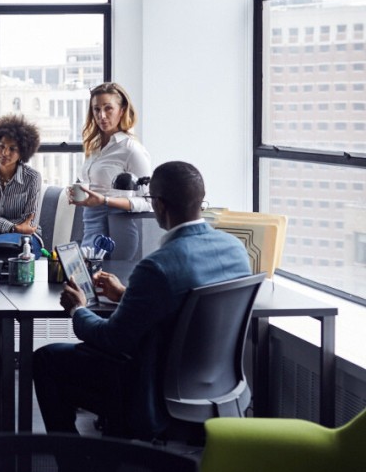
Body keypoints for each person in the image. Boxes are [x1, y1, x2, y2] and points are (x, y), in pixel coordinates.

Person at [33, 161, 251, 448]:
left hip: (153, 391)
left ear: (158, 205)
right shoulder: (236, 249)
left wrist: (79, 308)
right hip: (219, 385)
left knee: (46, 359)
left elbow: (112, 340)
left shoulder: (157, 266)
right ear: (200, 201)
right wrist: (127, 295)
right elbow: (184, 307)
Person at [71, 81, 153, 247]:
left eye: (108, 108)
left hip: (117, 232)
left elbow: (148, 202)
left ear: (121, 111)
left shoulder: (131, 150)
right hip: (90, 227)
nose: (101, 115)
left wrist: (105, 200)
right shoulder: (94, 148)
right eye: (96, 109)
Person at [0, 114, 42, 243]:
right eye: (1, 146)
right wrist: (13, 227)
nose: (5, 153)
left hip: (26, 239)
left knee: (3, 247)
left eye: (12, 149)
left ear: (22, 152)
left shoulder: (32, 178)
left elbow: (29, 222)